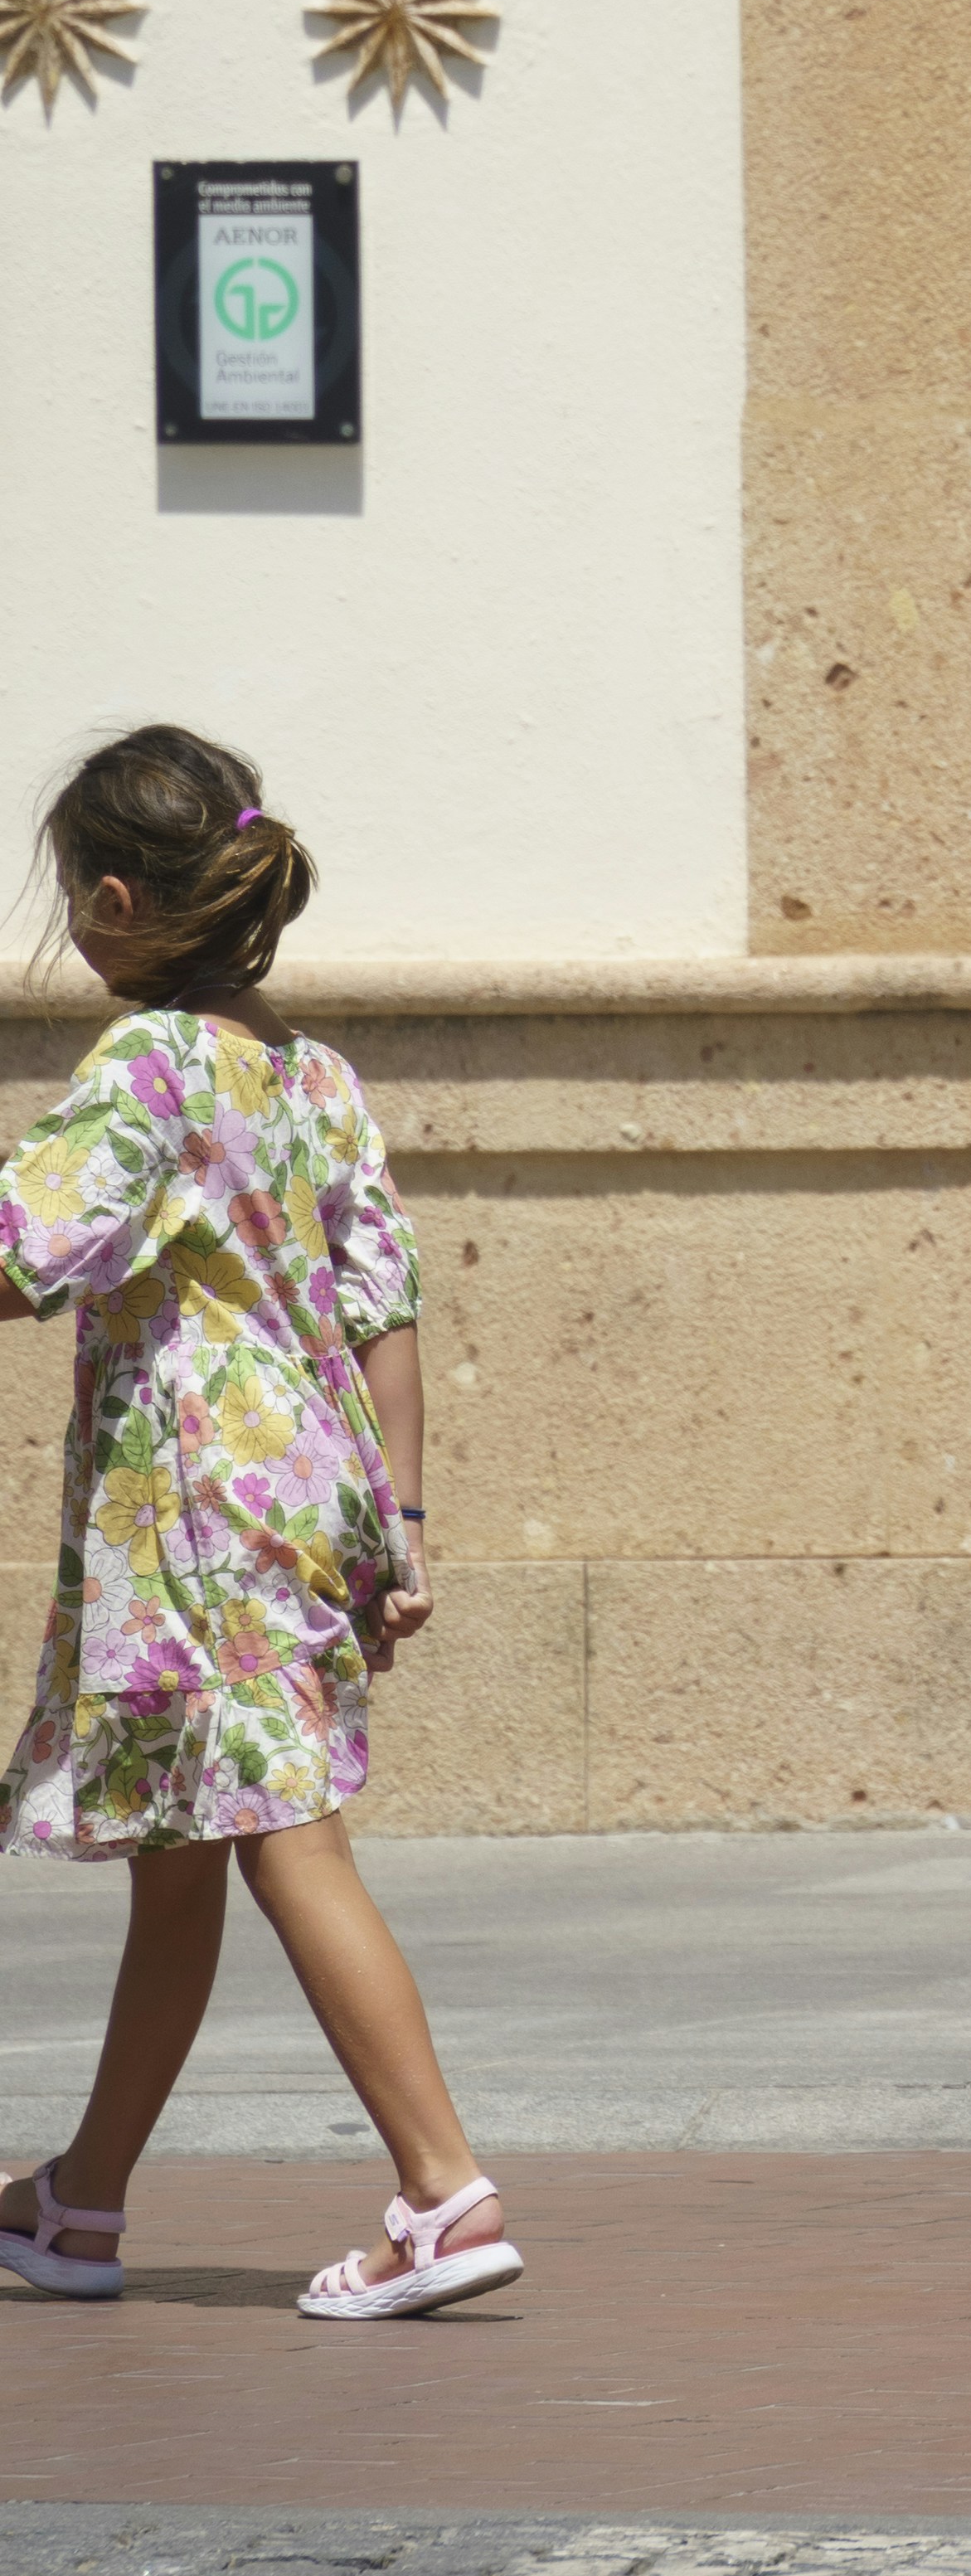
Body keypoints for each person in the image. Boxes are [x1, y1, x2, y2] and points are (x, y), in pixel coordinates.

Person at [0, 725, 517, 2326]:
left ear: (110, 897)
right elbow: (390, 1304)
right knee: (184, 1857)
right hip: (305, 1496)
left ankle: (443, 2194)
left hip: (199, 1518)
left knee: (291, 1839)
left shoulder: (149, 1066)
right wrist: (406, 1524)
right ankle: (81, 2204)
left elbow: (30, 1243)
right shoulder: (312, 1077)